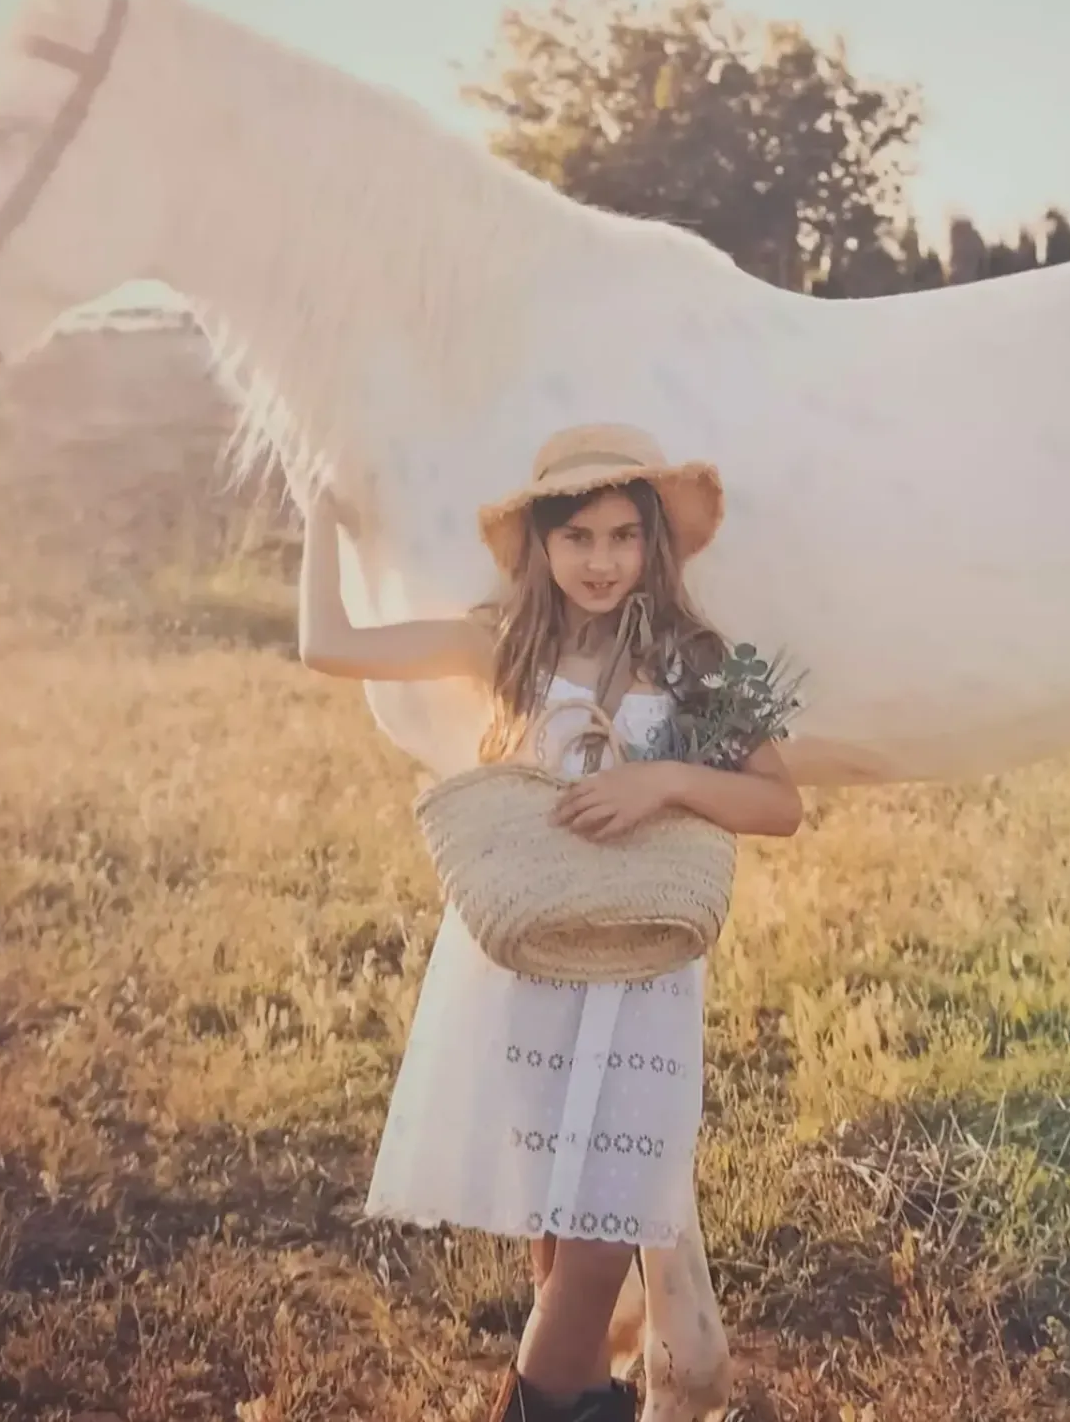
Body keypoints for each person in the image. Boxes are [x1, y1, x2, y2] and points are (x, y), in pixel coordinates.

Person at [296, 423, 803, 1422]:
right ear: (541, 545)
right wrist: (319, 508)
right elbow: (327, 646)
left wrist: (660, 779)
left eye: (623, 536)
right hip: (528, 971)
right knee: (557, 1250)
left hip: (643, 978)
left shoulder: (701, 660)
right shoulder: (506, 644)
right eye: (578, 539)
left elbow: (780, 805)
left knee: (603, 1241)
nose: (602, 561)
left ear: (654, 542)